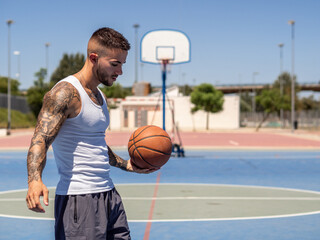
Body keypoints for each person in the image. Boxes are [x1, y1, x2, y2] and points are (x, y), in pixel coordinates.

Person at [26, 27, 158, 240]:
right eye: (115, 64)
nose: (120, 72)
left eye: (122, 64)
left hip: (108, 193)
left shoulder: (100, 96)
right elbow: (40, 138)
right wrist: (34, 180)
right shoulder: (65, 93)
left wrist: (126, 164)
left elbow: (95, 144)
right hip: (79, 198)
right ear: (94, 58)